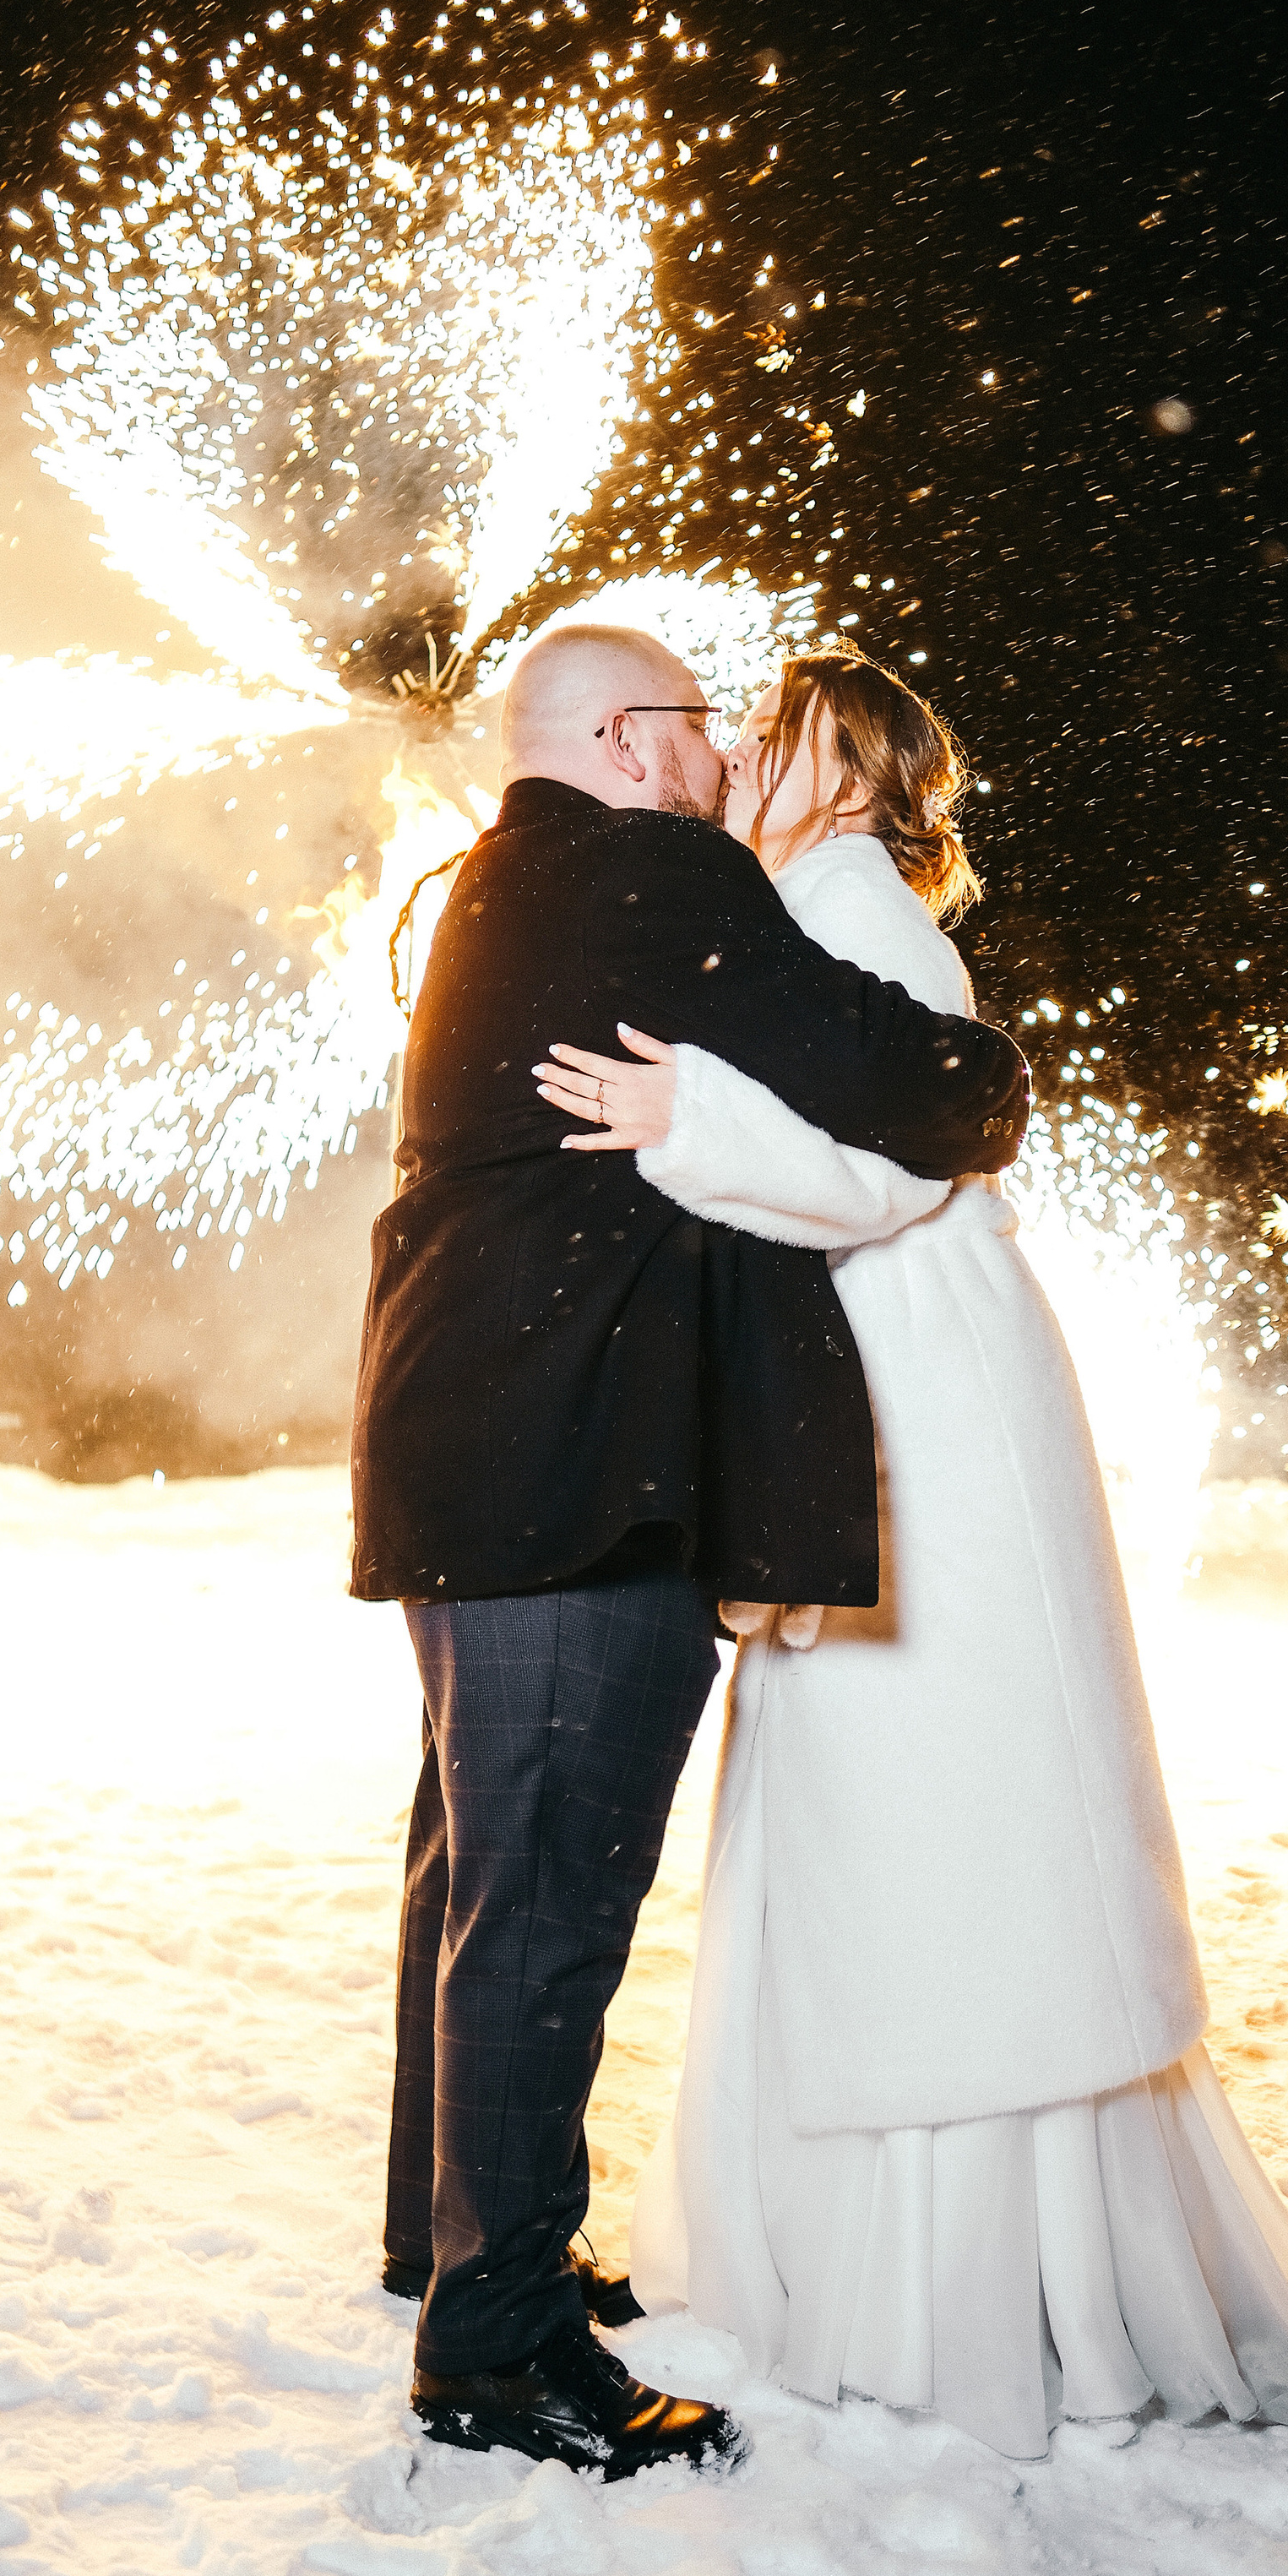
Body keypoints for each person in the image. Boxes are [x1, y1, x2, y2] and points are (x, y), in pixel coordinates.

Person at [535, 649, 1288, 2460]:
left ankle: (965, 2280)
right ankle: (849, 2250)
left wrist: (686, 1126)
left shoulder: (863, 910)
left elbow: (897, 1163)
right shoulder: (798, 905)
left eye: (781, 730)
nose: (745, 748)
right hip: (876, 1384)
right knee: (863, 1786)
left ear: (853, 771)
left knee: (936, 1787)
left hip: (928, 1394)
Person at [350, 621, 1031, 2481]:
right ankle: (491, 2358)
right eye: (702, 729)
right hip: (578, 1464)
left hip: (470, 1452)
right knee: (546, 1900)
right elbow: (923, 1086)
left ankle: (452, 2241)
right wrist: (983, 1079)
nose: (726, 757)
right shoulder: (647, 869)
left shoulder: (503, 880)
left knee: (480, 1871)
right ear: (633, 745)